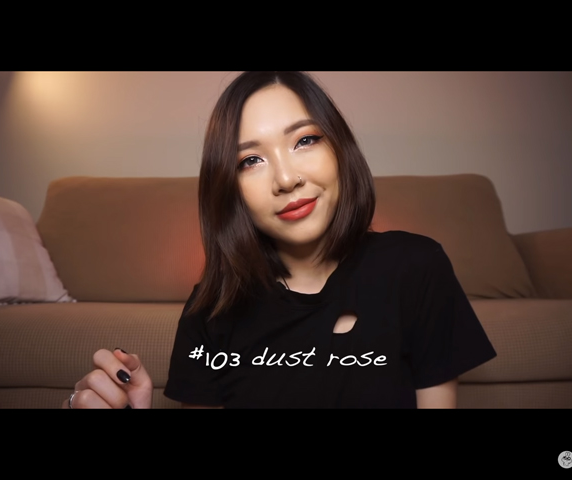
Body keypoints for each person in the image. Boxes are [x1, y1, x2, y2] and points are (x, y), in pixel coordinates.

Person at [63, 71, 497, 409]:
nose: (287, 179)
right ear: (230, 189)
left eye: (305, 140)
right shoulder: (209, 311)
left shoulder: (416, 267)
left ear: (339, 149)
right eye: (251, 160)